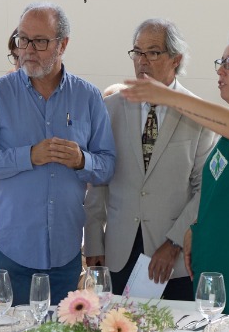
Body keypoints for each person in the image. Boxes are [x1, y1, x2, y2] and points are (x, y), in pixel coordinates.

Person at [119, 30, 229, 317]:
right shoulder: (224, 136)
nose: (220, 71)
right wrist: (195, 228)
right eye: (221, 62)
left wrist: (169, 97)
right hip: (217, 262)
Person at [0, 2, 116, 305]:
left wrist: (82, 160)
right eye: (22, 39)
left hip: (66, 249)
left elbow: (108, 166)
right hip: (11, 247)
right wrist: (27, 156)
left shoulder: (87, 97)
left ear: (63, 45)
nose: (28, 50)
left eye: (40, 41)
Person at [84, 18, 217, 301]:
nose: (142, 61)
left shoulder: (198, 114)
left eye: (153, 52)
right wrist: (93, 240)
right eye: (137, 52)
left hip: (173, 257)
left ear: (176, 60)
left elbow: (204, 189)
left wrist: (173, 242)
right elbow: (98, 179)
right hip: (118, 252)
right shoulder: (111, 108)